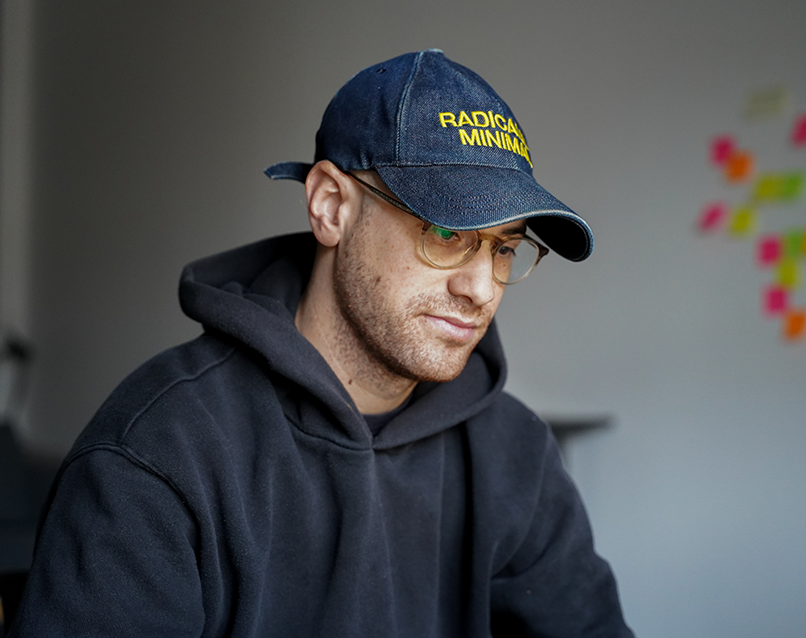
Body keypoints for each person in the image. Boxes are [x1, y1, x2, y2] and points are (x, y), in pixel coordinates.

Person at [10, 49, 633, 637]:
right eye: (446, 234)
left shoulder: (515, 456)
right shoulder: (159, 452)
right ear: (331, 206)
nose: (481, 289)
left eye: (503, 248)